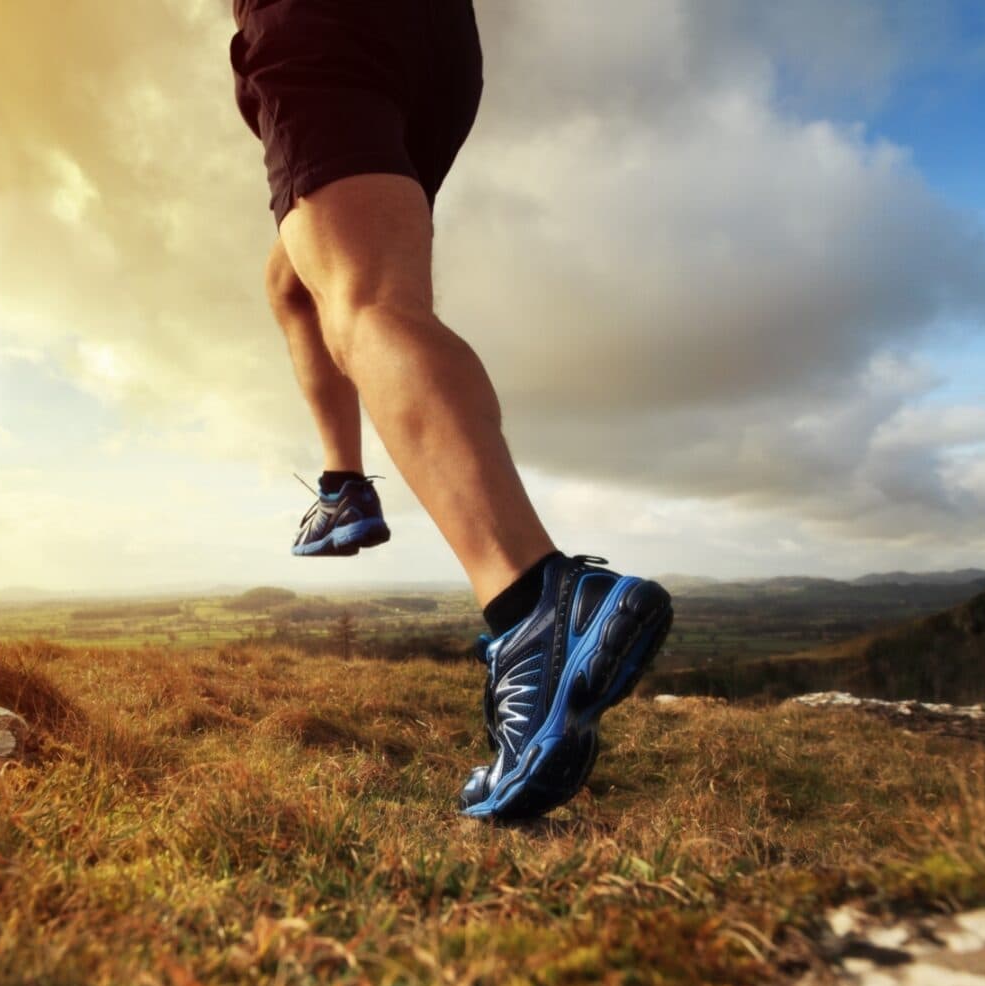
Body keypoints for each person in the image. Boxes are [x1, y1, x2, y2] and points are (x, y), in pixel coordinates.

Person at [229, 0, 672, 821]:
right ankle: (343, 489)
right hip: (435, 41)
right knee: (299, 280)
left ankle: (533, 600)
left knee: (369, 306)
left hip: (320, 20)